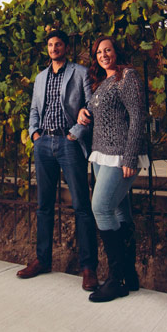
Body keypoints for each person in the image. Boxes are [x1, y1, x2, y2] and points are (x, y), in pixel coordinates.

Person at [19, 30, 99, 291]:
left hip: (69, 143)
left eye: (58, 44)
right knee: (43, 206)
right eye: (50, 45)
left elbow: (90, 105)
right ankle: (42, 260)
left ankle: (88, 268)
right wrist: (34, 134)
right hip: (43, 145)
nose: (54, 48)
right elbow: (34, 108)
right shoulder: (40, 78)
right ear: (47, 48)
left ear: (65, 47)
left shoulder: (79, 72)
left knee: (81, 206)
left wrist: (75, 134)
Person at [77, 36, 147, 302]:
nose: (104, 55)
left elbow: (138, 116)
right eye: (99, 52)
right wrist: (83, 112)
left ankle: (116, 280)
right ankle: (130, 276)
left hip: (120, 156)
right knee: (118, 210)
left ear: (117, 52)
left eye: (108, 50)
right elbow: (99, 111)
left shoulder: (127, 76)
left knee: (100, 208)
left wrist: (129, 157)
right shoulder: (103, 83)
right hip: (101, 155)